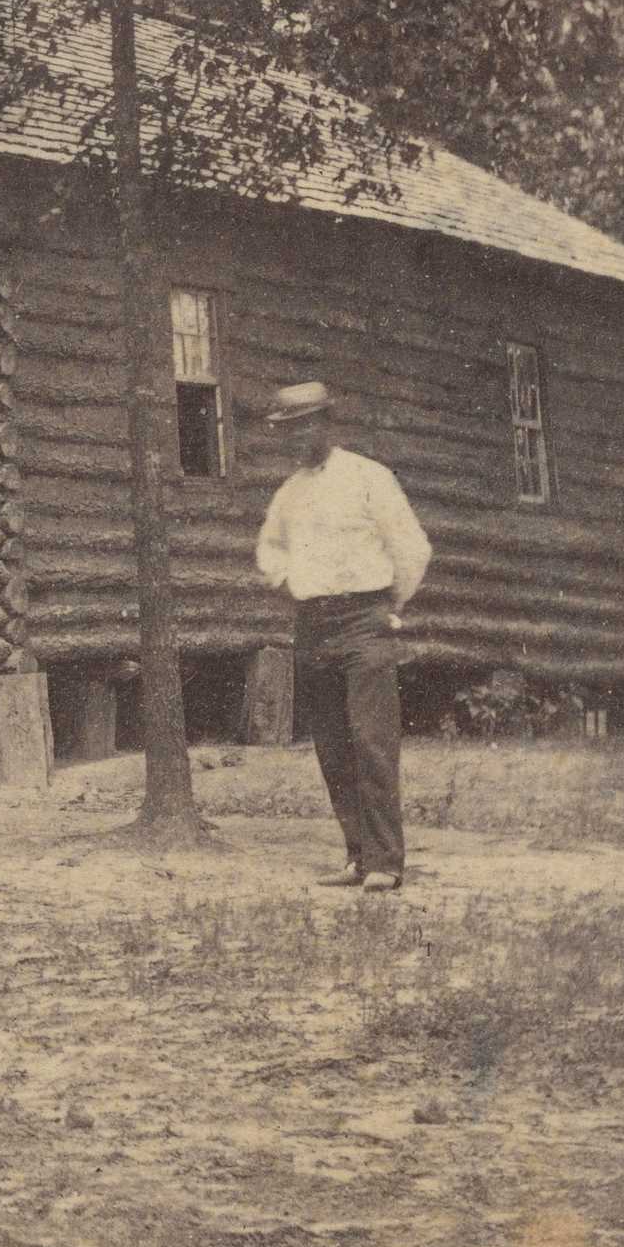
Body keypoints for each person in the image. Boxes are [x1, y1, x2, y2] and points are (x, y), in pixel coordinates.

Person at [254, 381, 432, 893]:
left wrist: (387, 606)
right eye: (288, 430)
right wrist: (286, 579)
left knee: (372, 741)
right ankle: (356, 854)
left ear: (327, 424)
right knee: (332, 745)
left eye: (307, 425)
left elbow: (412, 548)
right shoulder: (288, 492)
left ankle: (386, 862)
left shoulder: (367, 477)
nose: (298, 437)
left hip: (365, 622)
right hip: (313, 624)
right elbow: (269, 548)